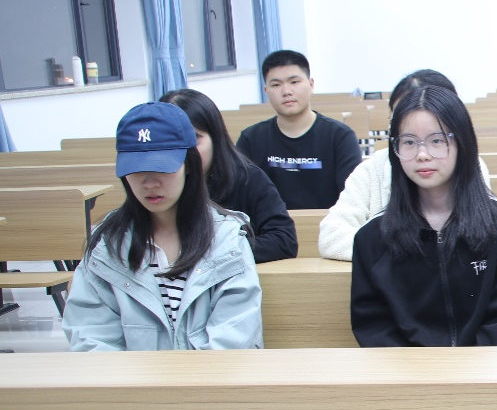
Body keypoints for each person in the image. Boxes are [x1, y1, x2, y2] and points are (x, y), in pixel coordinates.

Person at [63, 102, 262, 351]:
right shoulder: (106, 245)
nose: (149, 183)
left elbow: (234, 338)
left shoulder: (227, 239)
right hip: (128, 377)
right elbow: (91, 338)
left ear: (189, 164)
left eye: (162, 167)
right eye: (136, 169)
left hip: (212, 375)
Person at [350, 85, 497, 347]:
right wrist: (422, 371)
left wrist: (469, 371)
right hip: (405, 370)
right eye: (409, 142)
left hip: (491, 367)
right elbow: (374, 328)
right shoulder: (371, 237)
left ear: (462, 144)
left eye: (437, 140)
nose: (422, 154)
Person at [319, 69, 491, 261]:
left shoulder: (471, 166)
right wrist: (406, 254)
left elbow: (478, 236)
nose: (422, 153)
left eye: (435, 137)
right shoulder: (371, 169)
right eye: (401, 116)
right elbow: (332, 236)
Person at [160, 88, 297, 263]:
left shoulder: (248, 178)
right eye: (171, 141)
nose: (184, 152)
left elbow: (283, 241)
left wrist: (215, 252)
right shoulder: (154, 184)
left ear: (215, 137)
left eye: (193, 139)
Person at [236, 49, 363, 209]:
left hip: (329, 223)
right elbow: (241, 195)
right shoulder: (251, 139)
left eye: (294, 82)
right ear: (266, 91)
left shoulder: (340, 136)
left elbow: (352, 199)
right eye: (276, 85)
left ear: (311, 84)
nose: (286, 91)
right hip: (269, 224)